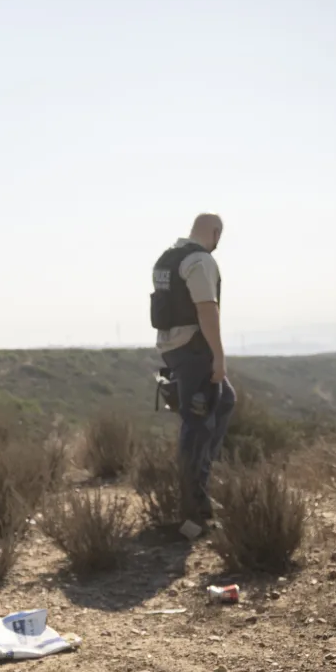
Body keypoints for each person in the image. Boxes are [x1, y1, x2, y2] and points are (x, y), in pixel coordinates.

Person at [150, 212, 236, 524]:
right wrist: (218, 356)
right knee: (198, 424)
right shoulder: (200, 261)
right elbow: (206, 310)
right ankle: (193, 510)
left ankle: (200, 482)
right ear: (214, 232)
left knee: (225, 401)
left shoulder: (167, 258)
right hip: (194, 349)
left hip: (173, 349)